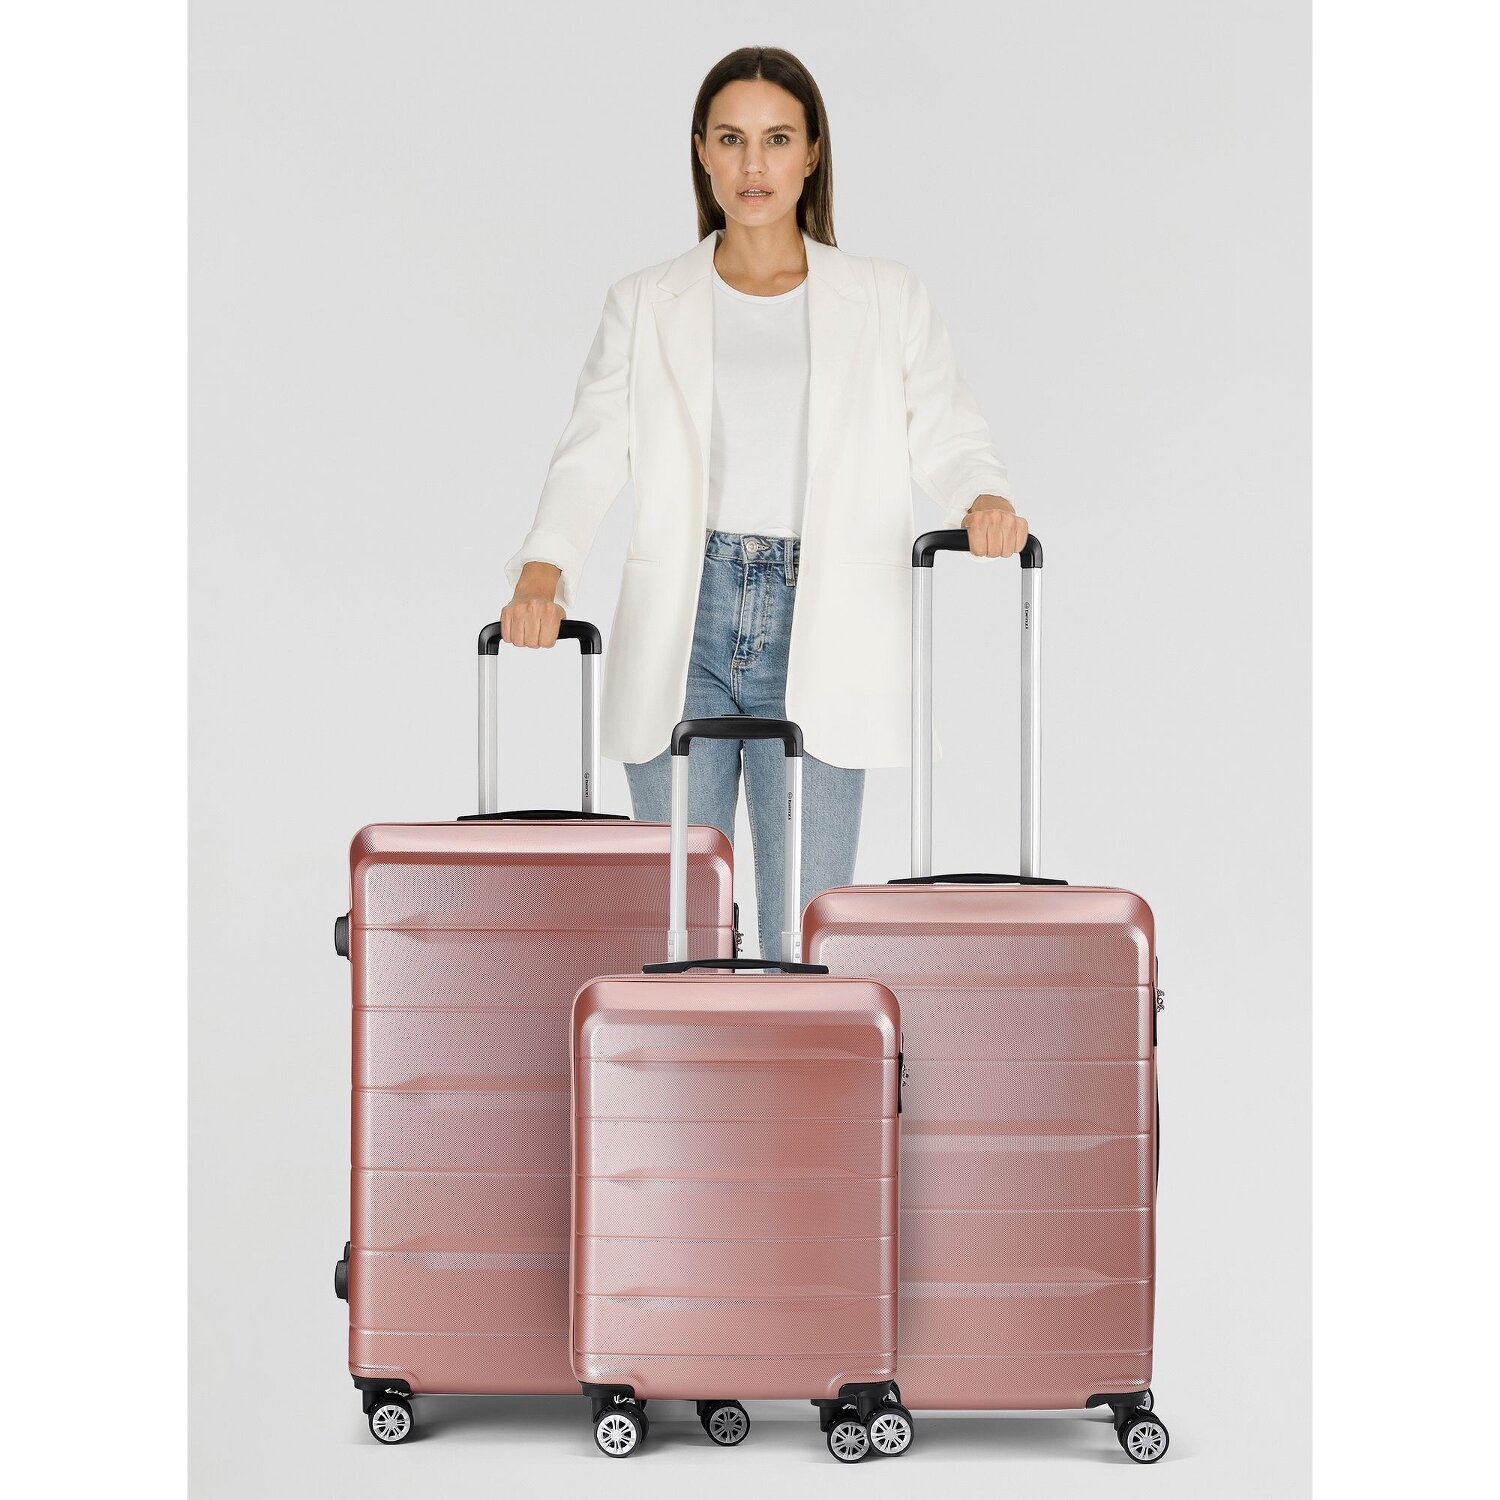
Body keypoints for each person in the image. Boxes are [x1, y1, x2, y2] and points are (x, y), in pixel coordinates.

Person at [500, 46, 1028, 958]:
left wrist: (984, 496)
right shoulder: (646, 301)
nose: (754, 164)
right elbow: (589, 450)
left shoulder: (885, 297)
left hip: (826, 612)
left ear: (812, 153)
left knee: (804, 927)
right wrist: (543, 569)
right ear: (700, 151)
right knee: (681, 923)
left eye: (778, 139)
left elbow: (946, 426)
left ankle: (799, 1057)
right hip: (687, 615)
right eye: (732, 139)